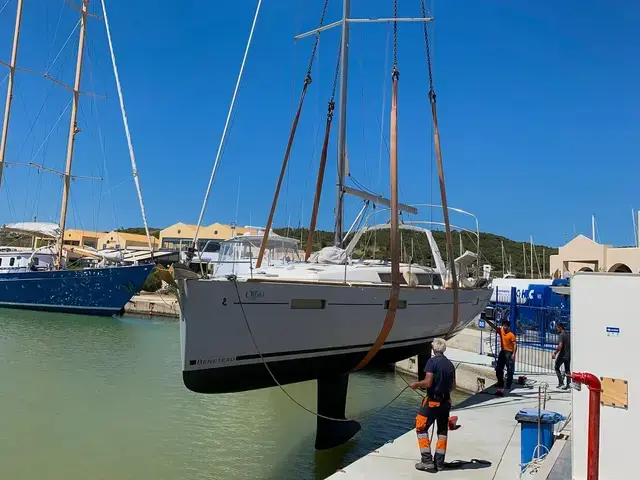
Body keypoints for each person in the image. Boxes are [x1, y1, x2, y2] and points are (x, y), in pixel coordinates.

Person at [410, 338, 456, 473]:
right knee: (442, 432)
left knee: (421, 427)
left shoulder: (432, 362)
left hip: (432, 402)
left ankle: (427, 461)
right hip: (445, 402)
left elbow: (428, 382)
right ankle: (439, 463)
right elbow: (453, 386)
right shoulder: (450, 364)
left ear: (434, 349)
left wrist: (417, 384)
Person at [485, 318, 517, 396]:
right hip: (503, 352)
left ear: (508, 327)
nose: (504, 327)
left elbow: (515, 344)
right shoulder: (501, 331)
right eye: (503, 326)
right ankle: (500, 382)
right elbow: (494, 327)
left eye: (506, 326)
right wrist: (486, 320)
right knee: (499, 368)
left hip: (509, 352)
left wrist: (513, 354)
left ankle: (508, 385)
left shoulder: (511, 335)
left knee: (509, 370)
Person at [552, 323, 571, 389]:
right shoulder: (568, 335)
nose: (557, 329)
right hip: (568, 355)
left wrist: (555, 353)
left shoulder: (561, 335)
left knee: (556, 367)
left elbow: (560, 345)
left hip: (562, 355)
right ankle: (569, 384)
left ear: (560, 327)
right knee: (567, 370)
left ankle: (561, 383)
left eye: (557, 327)